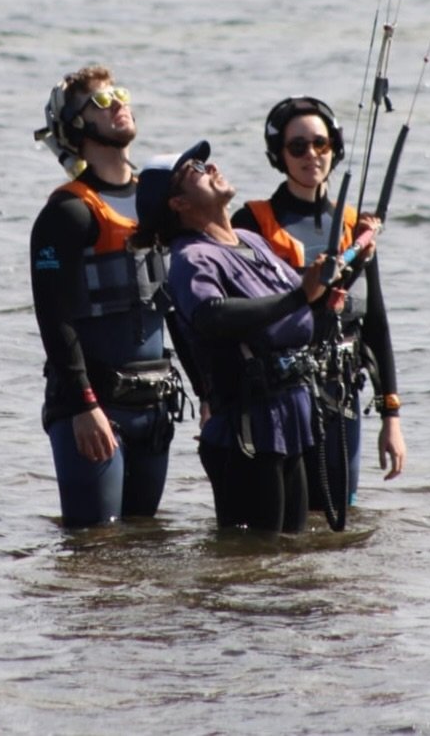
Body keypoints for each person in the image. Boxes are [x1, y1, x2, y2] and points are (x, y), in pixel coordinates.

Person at [133, 141, 337, 535]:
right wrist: (299, 296)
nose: (209, 166)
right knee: (253, 562)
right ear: (178, 203)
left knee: (288, 560)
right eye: (194, 168)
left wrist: (331, 285)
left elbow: (296, 315)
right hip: (247, 431)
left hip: (291, 418)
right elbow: (211, 315)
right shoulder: (193, 258)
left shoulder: (252, 241)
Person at [231, 96, 406, 514]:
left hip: (341, 390)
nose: (312, 155)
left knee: (338, 515)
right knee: (286, 516)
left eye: (321, 144)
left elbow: (376, 321)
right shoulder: (251, 222)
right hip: (280, 394)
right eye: (298, 147)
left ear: (335, 148)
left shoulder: (354, 227)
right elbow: (232, 319)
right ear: (279, 155)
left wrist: (391, 418)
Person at [30, 65, 184, 528]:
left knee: (143, 541)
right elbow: (53, 318)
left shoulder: (157, 204)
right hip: (94, 408)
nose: (119, 103)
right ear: (76, 128)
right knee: (94, 545)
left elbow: (176, 307)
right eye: (101, 101)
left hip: (153, 405)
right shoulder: (68, 212)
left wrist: (209, 389)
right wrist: (84, 405)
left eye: (120, 94)